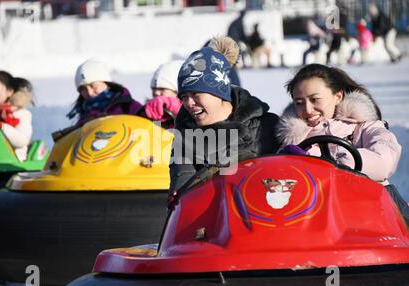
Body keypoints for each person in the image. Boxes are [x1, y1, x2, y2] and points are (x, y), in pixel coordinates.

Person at [168, 36, 280, 200]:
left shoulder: (267, 125)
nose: (189, 103)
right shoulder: (185, 137)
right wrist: (179, 194)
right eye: (184, 96)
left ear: (219, 92)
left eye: (195, 94)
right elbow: (184, 184)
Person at [277, 63, 401, 187]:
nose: (308, 110)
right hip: (317, 204)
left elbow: (384, 160)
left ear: (338, 97)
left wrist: (326, 162)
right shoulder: (292, 140)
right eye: (299, 103)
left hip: (366, 200)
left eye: (315, 99)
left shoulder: (364, 127)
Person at [67, 59, 144, 125]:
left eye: (92, 85)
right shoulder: (84, 115)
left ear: (106, 83)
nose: (89, 92)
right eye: (83, 89)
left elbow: (149, 126)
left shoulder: (127, 106)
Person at [144, 60, 183, 128]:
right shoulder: (147, 110)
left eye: (163, 89)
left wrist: (173, 105)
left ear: (177, 91)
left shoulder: (191, 111)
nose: (156, 92)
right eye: (154, 89)